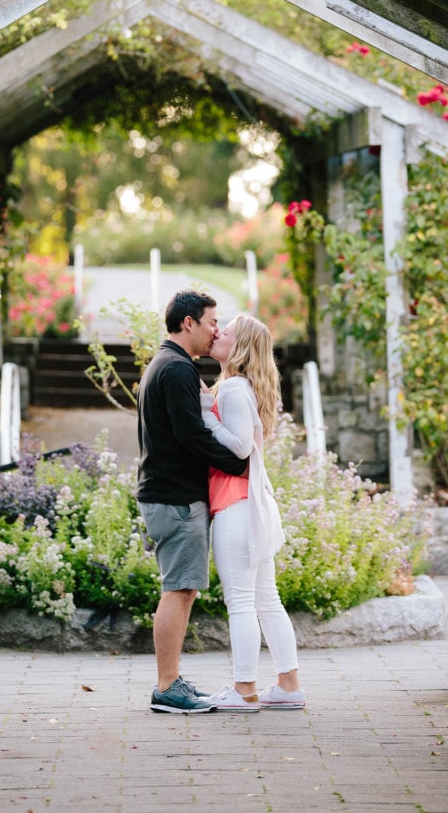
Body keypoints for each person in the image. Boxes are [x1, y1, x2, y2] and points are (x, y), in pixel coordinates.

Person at [137, 290, 249, 714]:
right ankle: (167, 687)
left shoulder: (164, 364)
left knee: (181, 589)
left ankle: (171, 682)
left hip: (167, 494)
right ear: (189, 323)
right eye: (211, 322)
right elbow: (192, 436)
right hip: (177, 497)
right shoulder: (179, 369)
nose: (215, 330)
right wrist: (240, 466)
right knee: (179, 589)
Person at [200, 313, 305, 712]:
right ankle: (288, 684)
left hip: (236, 505)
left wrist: (207, 413)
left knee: (241, 601)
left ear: (239, 346)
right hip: (253, 505)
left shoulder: (231, 390)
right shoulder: (243, 388)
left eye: (225, 332)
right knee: (266, 599)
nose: (217, 333)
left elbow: (239, 448)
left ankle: (244, 689)